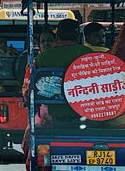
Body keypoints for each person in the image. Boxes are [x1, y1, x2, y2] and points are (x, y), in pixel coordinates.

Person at [35, 18, 92, 123]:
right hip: (84, 113)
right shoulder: (88, 54)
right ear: (79, 37)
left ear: (57, 37)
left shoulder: (42, 58)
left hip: (54, 114)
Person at [21, 28, 56, 170]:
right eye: (43, 41)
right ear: (39, 44)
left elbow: (25, 93)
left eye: (50, 40)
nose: (46, 44)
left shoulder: (36, 63)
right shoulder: (34, 63)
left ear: (56, 42)